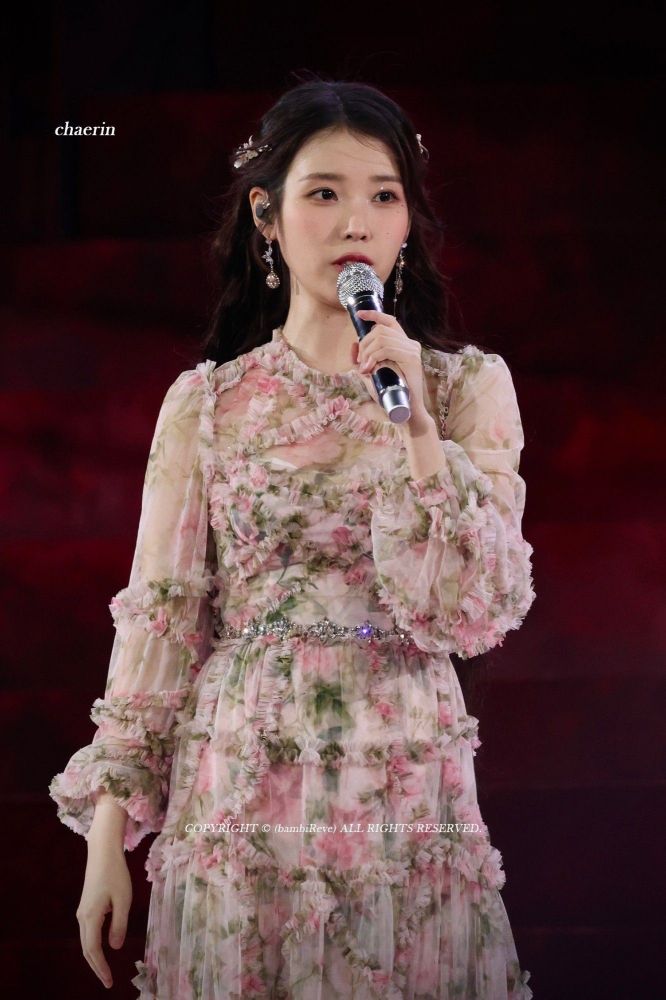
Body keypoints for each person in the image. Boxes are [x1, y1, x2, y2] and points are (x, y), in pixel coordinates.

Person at [49, 75, 536, 999]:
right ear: (266, 217)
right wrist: (106, 837)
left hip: (403, 775)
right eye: (325, 193)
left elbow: (475, 607)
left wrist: (418, 430)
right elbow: (160, 623)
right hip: (240, 780)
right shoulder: (207, 405)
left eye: (383, 196)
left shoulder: (467, 389)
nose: (357, 222)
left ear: (407, 222)